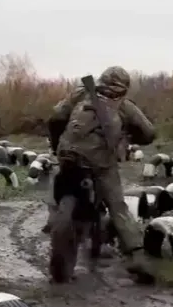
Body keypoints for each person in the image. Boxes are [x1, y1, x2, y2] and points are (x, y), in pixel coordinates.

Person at [46, 66, 157, 283]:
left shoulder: (80, 93)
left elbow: (56, 117)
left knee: (57, 187)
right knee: (118, 206)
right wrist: (129, 136)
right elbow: (149, 133)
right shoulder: (124, 106)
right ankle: (137, 257)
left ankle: (53, 219)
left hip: (67, 155)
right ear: (124, 87)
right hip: (101, 164)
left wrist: (56, 143)